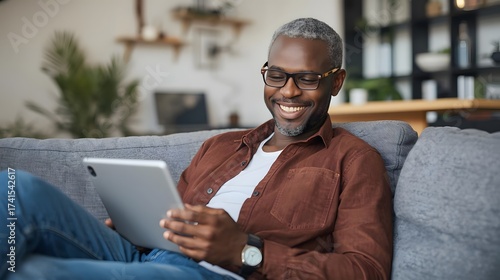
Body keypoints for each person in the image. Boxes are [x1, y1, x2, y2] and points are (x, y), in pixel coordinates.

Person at [0, 18, 392, 279]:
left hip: (212, 274)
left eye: (307, 78)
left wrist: (246, 250)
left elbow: (366, 269)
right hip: (146, 255)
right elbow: (175, 215)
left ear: (335, 82)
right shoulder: (219, 146)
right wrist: (139, 227)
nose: (288, 91)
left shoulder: (354, 160)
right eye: (276, 75)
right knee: (17, 187)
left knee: (36, 270)